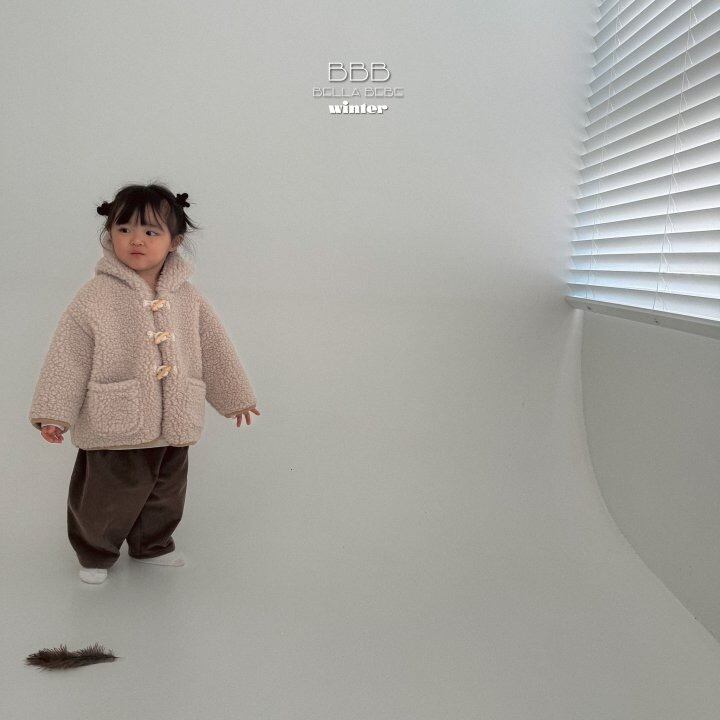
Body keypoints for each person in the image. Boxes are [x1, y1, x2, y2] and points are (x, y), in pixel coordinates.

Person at [28, 183, 260, 585]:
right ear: (110, 235)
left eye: (151, 231)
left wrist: (235, 396)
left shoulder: (188, 297)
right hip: (115, 419)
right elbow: (69, 357)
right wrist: (55, 414)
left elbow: (214, 346)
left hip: (175, 418)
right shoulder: (94, 297)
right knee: (105, 495)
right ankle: (95, 552)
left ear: (175, 242)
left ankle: (152, 545)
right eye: (124, 229)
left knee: (166, 492)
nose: (136, 240)